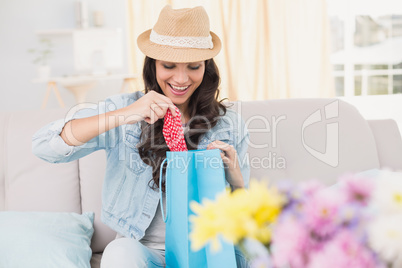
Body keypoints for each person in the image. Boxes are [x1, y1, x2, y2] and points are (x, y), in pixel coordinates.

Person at [32, 5, 250, 268]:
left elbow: (244, 220)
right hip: (141, 252)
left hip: (205, 252)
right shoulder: (127, 111)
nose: (181, 79)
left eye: (193, 66)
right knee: (118, 253)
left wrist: (237, 183)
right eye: (169, 65)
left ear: (207, 68)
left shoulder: (229, 125)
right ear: (153, 65)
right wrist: (126, 113)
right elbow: (45, 145)